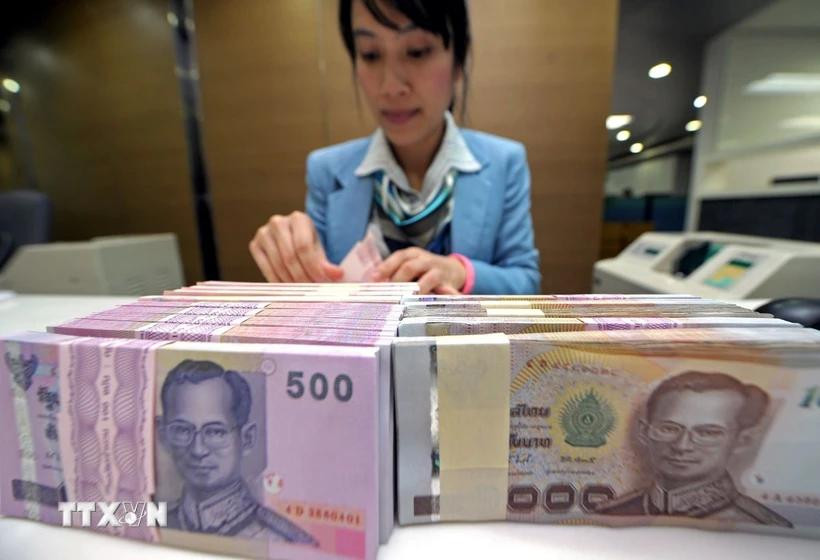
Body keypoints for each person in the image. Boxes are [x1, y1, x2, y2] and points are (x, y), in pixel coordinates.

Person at [249, 0, 540, 295]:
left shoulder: (504, 162)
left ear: (458, 60)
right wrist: (290, 253)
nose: (390, 86)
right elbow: (316, 293)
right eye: (371, 54)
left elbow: (525, 281)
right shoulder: (327, 170)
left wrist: (460, 271)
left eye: (416, 52)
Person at [595, 371, 792, 527]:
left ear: (742, 440)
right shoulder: (607, 515)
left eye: (707, 433)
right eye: (669, 429)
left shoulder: (764, 528)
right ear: (645, 431)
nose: (682, 446)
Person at [158, 359, 317, 543]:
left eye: (216, 432)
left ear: (247, 438)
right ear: (164, 435)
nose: (198, 450)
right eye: (182, 430)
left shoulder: (288, 542)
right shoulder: (149, 519)